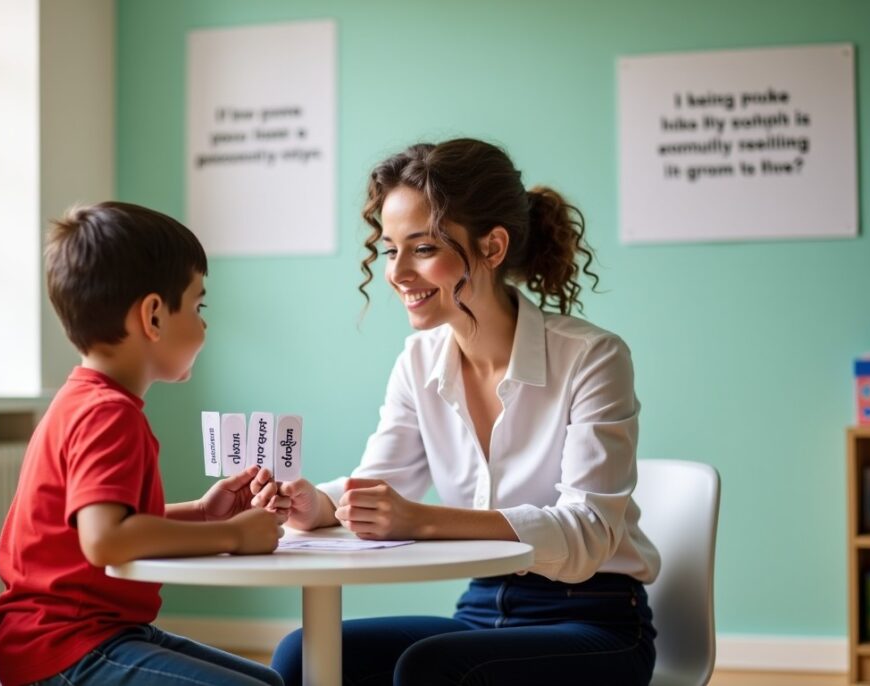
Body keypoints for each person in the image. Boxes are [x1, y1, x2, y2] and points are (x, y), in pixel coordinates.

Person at [252, 139, 661, 685]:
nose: (396, 272)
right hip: (480, 607)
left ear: (492, 247)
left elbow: (588, 535)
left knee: (433, 670)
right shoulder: (419, 360)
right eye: (389, 248)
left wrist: (421, 519)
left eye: (422, 248)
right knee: (305, 653)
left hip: (596, 619)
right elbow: (380, 483)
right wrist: (317, 503)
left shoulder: (593, 357)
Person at [0, 202, 284, 686]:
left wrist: (203, 513)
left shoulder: (88, 401)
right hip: (66, 650)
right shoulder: (107, 415)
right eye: (197, 305)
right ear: (153, 316)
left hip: (90, 636)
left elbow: (113, 524)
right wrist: (233, 536)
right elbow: (106, 539)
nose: (204, 323)